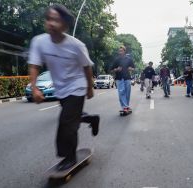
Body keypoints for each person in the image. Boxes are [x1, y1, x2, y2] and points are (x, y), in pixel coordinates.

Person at [28, 4, 99, 171]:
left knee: (66, 123)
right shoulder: (39, 42)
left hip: (77, 86)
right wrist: (35, 88)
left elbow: (87, 67)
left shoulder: (76, 45)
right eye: (49, 19)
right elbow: (34, 66)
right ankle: (92, 119)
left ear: (65, 25)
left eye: (56, 20)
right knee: (72, 117)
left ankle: (70, 157)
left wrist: (89, 88)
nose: (51, 23)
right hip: (60, 89)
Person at [112, 46, 135, 112]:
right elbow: (112, 69)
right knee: (121, 92)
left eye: (121, 51)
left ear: (124, 51)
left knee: (127, 93)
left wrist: (131, 69)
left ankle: (126, 106)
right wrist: (117, 69)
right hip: (119, 78)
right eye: (119, 51)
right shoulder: (116, 60)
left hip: (127, 78)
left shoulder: (129, 59)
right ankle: (124, 107)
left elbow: (133, 68)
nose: (120, 52)